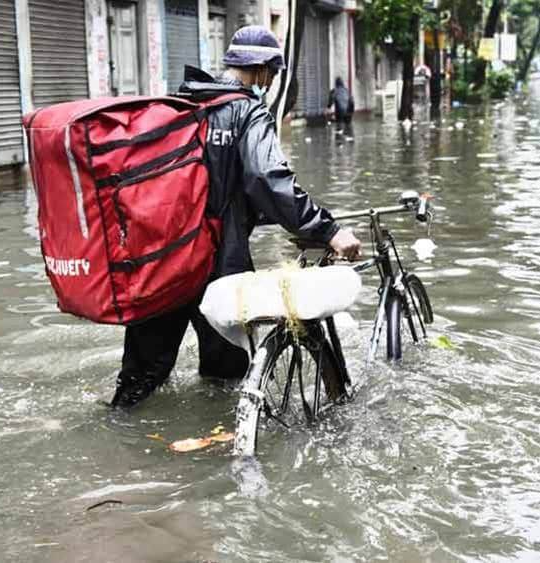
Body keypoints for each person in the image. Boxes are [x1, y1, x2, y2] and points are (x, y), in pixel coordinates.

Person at [110, 26, 361, 408]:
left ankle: (120, 448)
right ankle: (226, 451)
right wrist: (328, 230)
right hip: (217, 264)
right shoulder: (247, 111)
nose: (271, 83)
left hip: (160, 260)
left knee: (137, 383)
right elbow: (267, 179)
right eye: (273, 75)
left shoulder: (181, 105)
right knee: (227, 375)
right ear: (262, 71)